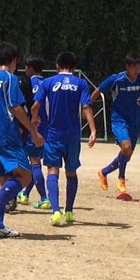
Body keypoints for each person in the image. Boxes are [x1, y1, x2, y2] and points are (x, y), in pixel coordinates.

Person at [0, 41, 42, 239]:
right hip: (6, 136)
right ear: (16, 60)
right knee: (25, 175)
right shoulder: (10, 78)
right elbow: (15, 106)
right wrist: (32, 131)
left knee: (2, 181)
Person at [33, 50, 96, 226]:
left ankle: (55, 211)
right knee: (71, 173)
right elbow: (86, 107)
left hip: (53, 135)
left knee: (52, 171)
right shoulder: (81, 83)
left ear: (57, 66)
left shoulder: (48, 82)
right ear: (74, 67)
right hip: (73, 136)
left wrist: (35, 120)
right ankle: (69, 211)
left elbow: (35, 106)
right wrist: (93, 130)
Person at [91, 54, 140, 198]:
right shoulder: (117, 79)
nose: (136, 70)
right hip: (119, 120)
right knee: (126, 147)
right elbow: (99, 90)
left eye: (139, 67)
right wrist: (87, 106)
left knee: (127, 154)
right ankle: (121, 178)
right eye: (134, 67)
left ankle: (103, 172)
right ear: (127, 66)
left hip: (135, 121)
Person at [18, 57, 51, 208]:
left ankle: (44, 198)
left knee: (34, 162)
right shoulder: (48, 83)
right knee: (35, 161)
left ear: (30, 68)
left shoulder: (29, 84)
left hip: (34, 127)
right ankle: (25, 193)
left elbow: (28, 107)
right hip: (48, 128)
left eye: (26, 67)